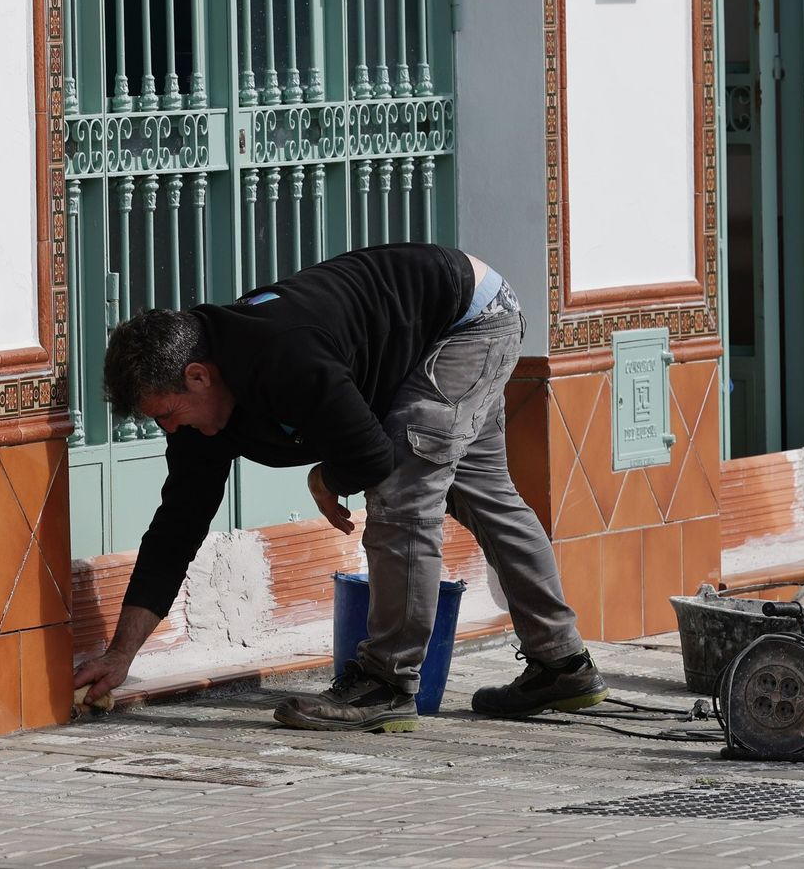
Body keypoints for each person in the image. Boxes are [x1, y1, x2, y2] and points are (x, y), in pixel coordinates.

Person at [72, 243, 608, 733]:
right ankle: (562, 665)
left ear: (197, 376)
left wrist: (324, 477)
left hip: (467, 320)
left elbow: (372, 457)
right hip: (424, 329)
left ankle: (387, 683)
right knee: (480, 491)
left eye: (167, 415)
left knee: (402, 491)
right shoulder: (200, 417)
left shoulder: (283, 355)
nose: (170, 431)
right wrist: (122, 655)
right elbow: (176, 528)